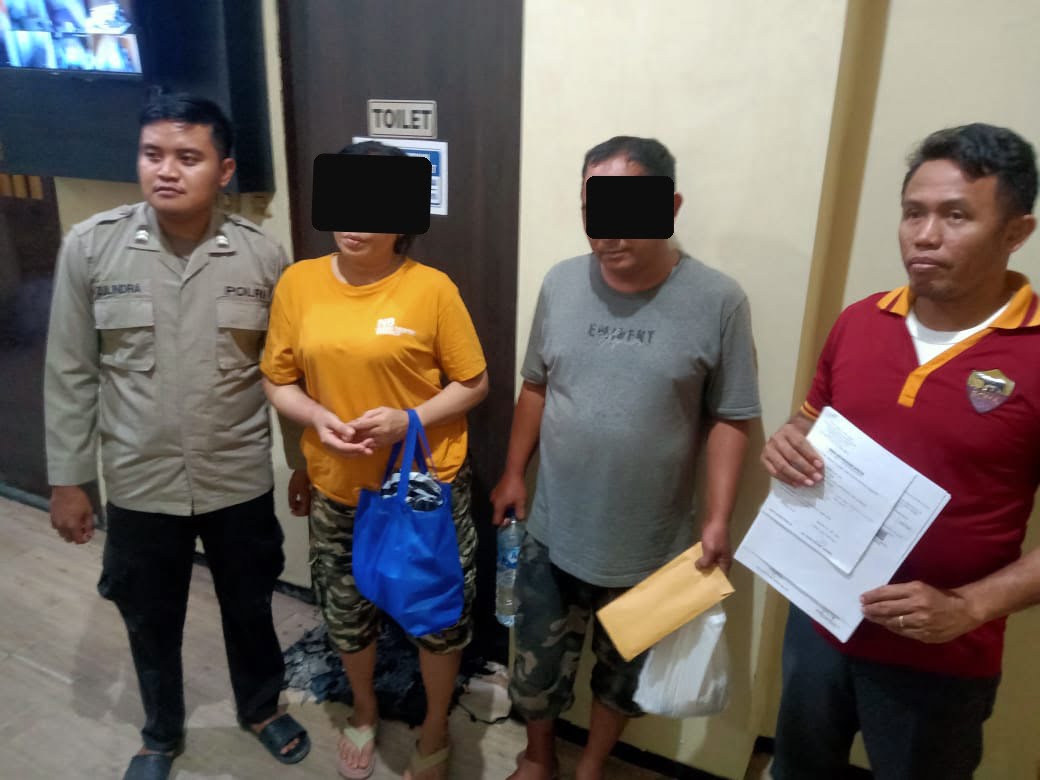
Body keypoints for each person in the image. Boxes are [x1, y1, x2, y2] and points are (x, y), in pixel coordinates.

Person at [761, 123, 1040, 780]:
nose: (925, 235)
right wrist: (788, 445)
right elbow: (809, 422)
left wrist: (970, 608)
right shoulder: (860, 321)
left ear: (1015, 232)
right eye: (914, 213)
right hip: (819, 621)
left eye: (955, 216)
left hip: (940, 655)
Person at [44, 92, 310, 780]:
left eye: (188, 157)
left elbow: (282, 373)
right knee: (148, 615)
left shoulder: (262, 257)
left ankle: (261, 707)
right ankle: (161, 732)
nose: (166, 170)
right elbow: (70, 371)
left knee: (250, 604)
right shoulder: (92, 247)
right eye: (152, 154)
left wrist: (301, 463)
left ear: (224, 170)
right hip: (139, 479)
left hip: (236, 477)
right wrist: (70, 480)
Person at [490, 136, 761, 780]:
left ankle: (591, 766)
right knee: (535, 668)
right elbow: (535, 386)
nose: (607, 235)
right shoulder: (560, 283)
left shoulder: (719, 300)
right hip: (553, 530)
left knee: (624, 681)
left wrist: (718, 518)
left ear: (671, 206)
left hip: (655, 544)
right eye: (594, 212)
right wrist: (512, 472)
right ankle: (537, 757)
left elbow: (731, 417)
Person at [260, 140, 489, 780]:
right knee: (346, 612)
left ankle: (435, 725)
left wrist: (408, 421)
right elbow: (277, 379)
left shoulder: (431, 290)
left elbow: (474, 382)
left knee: (437, 618)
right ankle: (363, 709)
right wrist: (316, 420)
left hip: (424, 490)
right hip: (339, 488)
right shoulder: (299, 284)